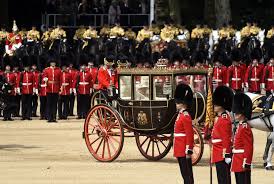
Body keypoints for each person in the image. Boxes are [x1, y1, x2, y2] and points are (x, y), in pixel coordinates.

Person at [211, 86, 234, 184]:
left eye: (216, 104)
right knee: (221, 179)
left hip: (222, 154)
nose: (214, 106)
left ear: (222, 104)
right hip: (218, 153)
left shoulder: (224, 118)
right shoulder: (220, 118)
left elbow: (226, 138)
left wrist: (227, 154)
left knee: (224, 179)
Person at [173, 83, 194, 184]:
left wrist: (188, 150)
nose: (176, 104)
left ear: (183, 103)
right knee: (184, 174)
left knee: (187, 175)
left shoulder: (185, 116)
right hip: (179, 148)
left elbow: (189, 134)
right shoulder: (181, 115)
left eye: (178, 103)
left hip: (183, 150)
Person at [231, 92, 254, 184]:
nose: (235, 114)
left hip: (242, 161)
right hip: (237, 160)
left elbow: (248, 147)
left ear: (242, 114)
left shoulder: (245, 128)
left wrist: (246, 162)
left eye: (237, 113)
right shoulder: (240, 126)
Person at [43, 57, 62, 123]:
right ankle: (49, 118)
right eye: (52, 62)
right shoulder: (46, 70)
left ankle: (54, 117)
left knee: (54, 104)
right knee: (49, 104)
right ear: (50, 63)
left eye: (54, 62)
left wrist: (60, 88)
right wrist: (45, 79)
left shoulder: (59, 70)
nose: (53, 63)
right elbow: (44, 77)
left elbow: (60, 80)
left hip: (56, 89)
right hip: (49, 89)